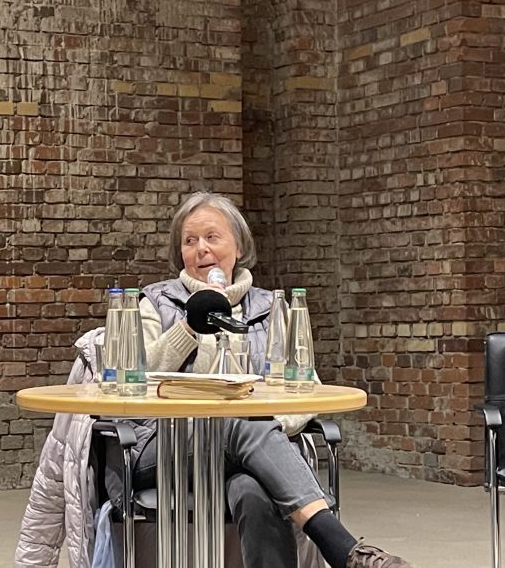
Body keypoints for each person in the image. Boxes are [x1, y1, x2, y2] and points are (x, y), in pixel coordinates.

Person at [133, 192, 412, 568]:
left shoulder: (271, 308)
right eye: (189, 241)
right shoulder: (156, 302)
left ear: (238, 244)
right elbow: (138, 376)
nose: (201, 250)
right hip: (167, 447)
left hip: (253, 456)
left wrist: (266, 428)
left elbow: (305, 386)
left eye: (212, 237)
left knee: (252, 490)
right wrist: (190, 324)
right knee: (235, 421)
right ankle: (342, 548)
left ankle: (344, 551)